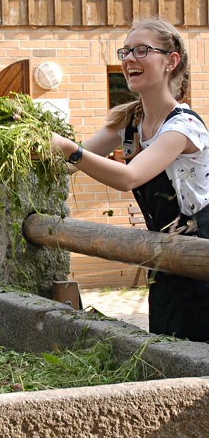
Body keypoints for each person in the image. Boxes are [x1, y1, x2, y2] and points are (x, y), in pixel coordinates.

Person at [51, 18, 209, 342]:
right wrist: (33, 138)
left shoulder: (183, 127)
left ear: (171, 61)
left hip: (201, 256)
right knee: (165, 347)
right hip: (164, 258)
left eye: (141, 50)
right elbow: (68, 164)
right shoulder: (128, 122)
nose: (128, 59)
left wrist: (67, 149)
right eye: (125, 52)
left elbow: (129, 177)